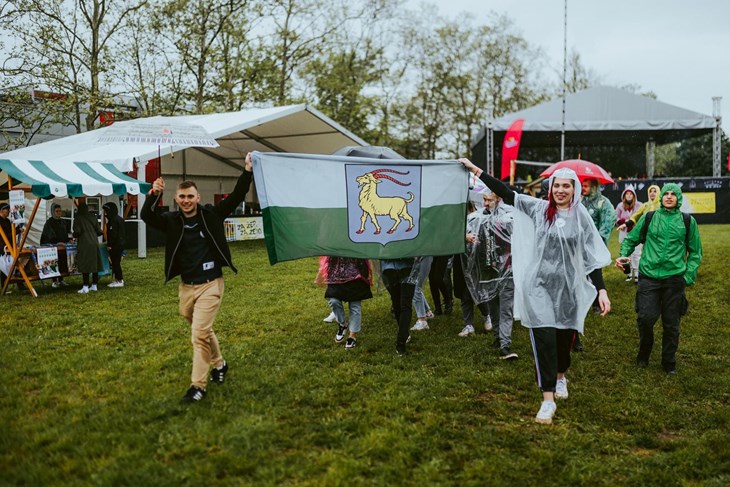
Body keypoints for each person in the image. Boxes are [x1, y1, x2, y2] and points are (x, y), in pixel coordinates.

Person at [460, 158, 611, 425]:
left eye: (566, 186)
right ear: (550, 188)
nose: (560, 190)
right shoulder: (539, 209)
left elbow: (590, 258)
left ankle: (561, 375)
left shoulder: (581, 218)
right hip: (539, 287)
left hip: (568, 291)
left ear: (574, 189)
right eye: (556, 186)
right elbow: (507, 192)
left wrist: (601, 290)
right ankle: (547, 398)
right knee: (544, 340)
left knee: (564, 342)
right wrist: (476, 170)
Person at [141, 153, 253, 403]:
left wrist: (247, 171)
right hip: (186, 287)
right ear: (176, 198)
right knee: (201, 329)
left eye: (190, 196)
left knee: (198, 334)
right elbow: (147, 217)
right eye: (182, 196)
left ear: (198, 198)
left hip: (211, 284)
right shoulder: (172, 221)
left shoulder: (211, 215)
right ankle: (220, 364)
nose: (186, 200)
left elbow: (236, 196)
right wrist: (153, 194)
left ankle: (198, 386)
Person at [616, 183, 702, 375]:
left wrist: (687, 276)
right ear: (660, 197)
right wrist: (624, 254)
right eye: (666, 194)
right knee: (646, 318)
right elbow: (631, 239)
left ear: (678, 198)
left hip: (674, 280)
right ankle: (644, 352)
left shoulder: (688, 221)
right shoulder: (649, 217)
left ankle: (668, 361)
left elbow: (696, 252)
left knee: (671, 323)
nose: (669, 197)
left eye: (673, 194)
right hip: (649, 277)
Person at [463, 190, 517, 360]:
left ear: (499, 199)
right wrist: (467, 236)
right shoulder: (476, 217)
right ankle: (497, 337)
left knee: (506, 307)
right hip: (487, 268)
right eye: (484, 200)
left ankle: (505, 344)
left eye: (490, 200)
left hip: (507, 269)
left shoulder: (510, 215)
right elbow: (461, 231)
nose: (486, 203)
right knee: (492, 304)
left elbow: (518, 235)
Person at [317, 256, 373, 349]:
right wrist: (320, 272)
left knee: (355, 306)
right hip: (336, 273)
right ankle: (342, 324)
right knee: (333, 300)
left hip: (357, 274)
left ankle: (352, 336)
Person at [381, 258, 417, 355]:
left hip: (391, 267)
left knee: (399, 304)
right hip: (404, 267)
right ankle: (401, 342)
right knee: (402, 305)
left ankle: (402, 340)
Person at [73, 202, 103, 294]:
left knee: (84, 264)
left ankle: (85, 286)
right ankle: (94, 285)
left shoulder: (78, 218)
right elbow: (99, 231)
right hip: (94, 242)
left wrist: (74, 235)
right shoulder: (93, 217)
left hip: (84, 243)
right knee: (95, 264)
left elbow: (77, 231)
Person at [614, 188, 641, 282]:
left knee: (636, 254)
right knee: (626, 253)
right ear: (624, 196)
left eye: (631, 194)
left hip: (635, 232)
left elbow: (641, 217)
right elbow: (615, 217)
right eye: (627, 194)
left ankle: (637, 274)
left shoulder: (639, 205)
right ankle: (629, 274)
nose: (629, 195)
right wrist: (623, 221)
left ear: (634, 196)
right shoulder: (620, 206)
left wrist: (633, 222)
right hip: (624, 231)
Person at [41, 204, 71, 287]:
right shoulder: (49, 223)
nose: (59, 213)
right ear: (53, 212)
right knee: (53, 263)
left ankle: (61, 279)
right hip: (52, 247)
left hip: (62, 247)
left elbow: (66, 234)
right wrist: (56, 242)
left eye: (60, 211)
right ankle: (54, 280)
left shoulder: (63, 222)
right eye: (57, 211)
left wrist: (68, 240)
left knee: (62, 262)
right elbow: (48, 235)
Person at [102, 202, 126, 288]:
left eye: (105, 211)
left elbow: (113, 234)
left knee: (116, 263)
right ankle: (117, 279)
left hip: (116, 245)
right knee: (116, 263)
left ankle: (119, 280)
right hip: (120, 244)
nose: (104, 213)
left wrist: (110, 245)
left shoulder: (113, 221)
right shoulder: (119, 219)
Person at [410, 256, 434, 331]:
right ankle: (427, 312)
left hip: (425, 256)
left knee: (415, 287)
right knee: (415, 286)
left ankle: (422, 320)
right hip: (420, 257)